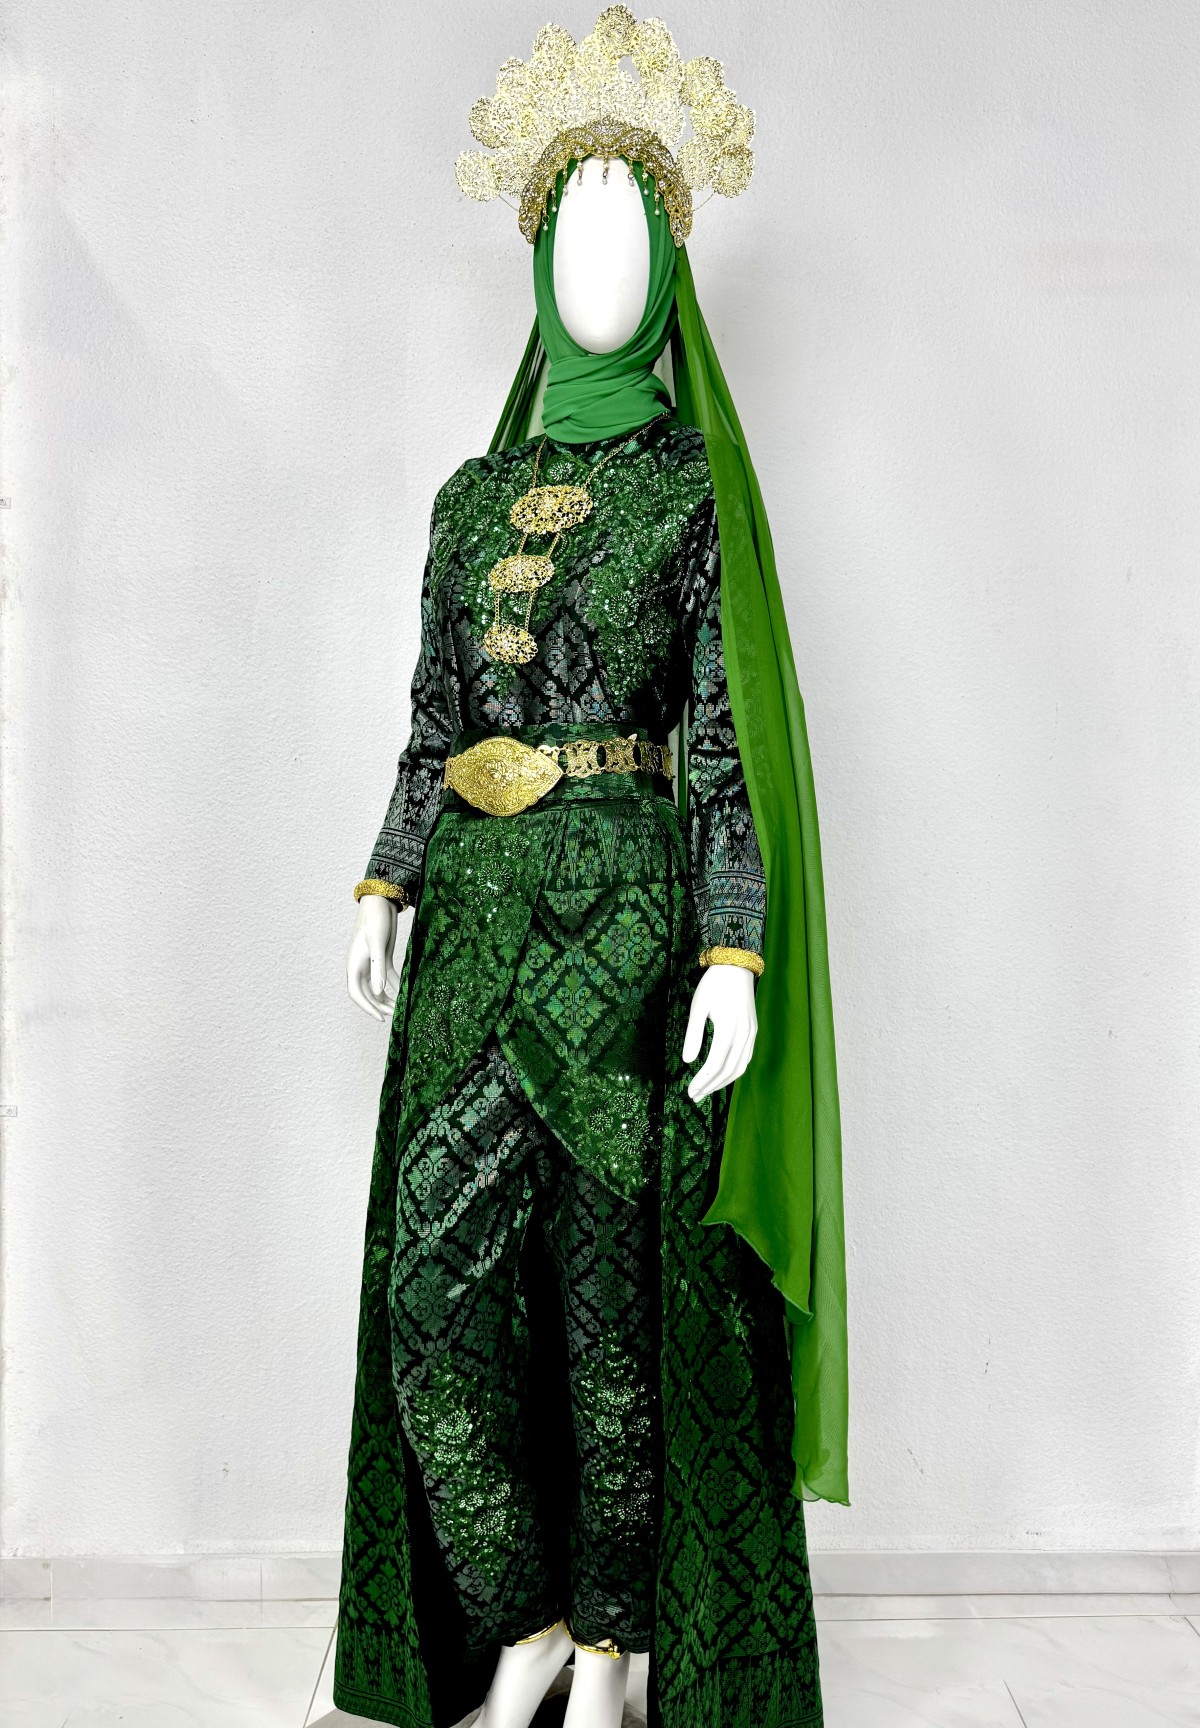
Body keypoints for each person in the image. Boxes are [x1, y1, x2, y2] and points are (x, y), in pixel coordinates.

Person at [333, 11, 849, 1727]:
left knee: (617, 1321)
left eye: (634, 228)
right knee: (433, 1301)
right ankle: (528, 1614)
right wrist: (387, 883)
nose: (603, 263)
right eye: (576, 230)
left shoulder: (692, 494)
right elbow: (430, 723)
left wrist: (732, 952)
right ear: (540, 260)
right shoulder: (467, 501)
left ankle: (617, 1655)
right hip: (474, 942)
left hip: (628, 940)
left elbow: (726, 743)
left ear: (674, 265)